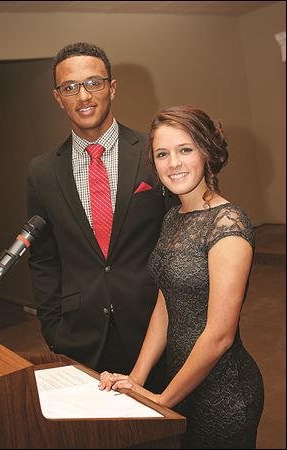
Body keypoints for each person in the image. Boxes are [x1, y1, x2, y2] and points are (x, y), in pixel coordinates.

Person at [99, 105, 264, 449]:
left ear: (206, 152)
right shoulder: (174, 217)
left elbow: (220, 335)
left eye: (184, 149)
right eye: (162, 154)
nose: (173, 163)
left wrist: (160, 400)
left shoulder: (228, 224)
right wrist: (137, 378)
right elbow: (165, 303)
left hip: (224, 393)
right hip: (179, 382)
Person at [27, 42, 176, 391]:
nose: (83, 96)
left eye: (93, 83)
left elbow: (177, 243)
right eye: (70, 87)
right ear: (57, 97)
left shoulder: (154, 153)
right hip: (82, 340)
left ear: (112, 87)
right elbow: (44, 260)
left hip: (155, 329)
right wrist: (53, 329)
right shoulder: (41, 171)